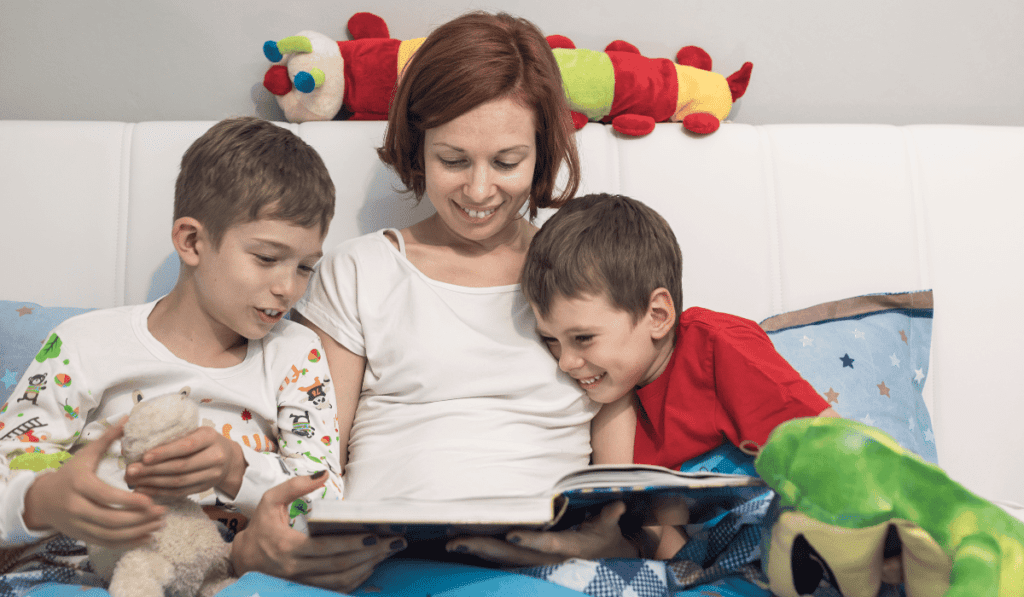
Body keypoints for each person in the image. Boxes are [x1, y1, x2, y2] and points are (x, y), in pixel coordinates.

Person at [292, 10, 638, 564]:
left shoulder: (584, 274)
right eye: (452, 160)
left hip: (549, 555)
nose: (479, 191)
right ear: (418, 149)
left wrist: (612, 533)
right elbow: (311, 439)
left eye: (506, 161)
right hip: (388, 557)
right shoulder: (360, 271)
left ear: (541, 151)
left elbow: (619, 402)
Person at [0, 117, 399, 591]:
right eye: (267, 259)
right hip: (79, 569)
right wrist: (46, 499)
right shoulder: (84, 344)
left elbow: (323, 496)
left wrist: (236, 471)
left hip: (218, 570)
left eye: (306, 267)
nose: (287, 287)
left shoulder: (296, 354)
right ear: (192, 241)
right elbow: (11, 463)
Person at [508, 192, 841, 559]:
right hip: (701, 554)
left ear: (657, 315)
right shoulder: (610, 394)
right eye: (551, 340)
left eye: (583, 338)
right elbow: (656, 538)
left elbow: (830, 447)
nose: (565, 362)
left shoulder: (716, 347)